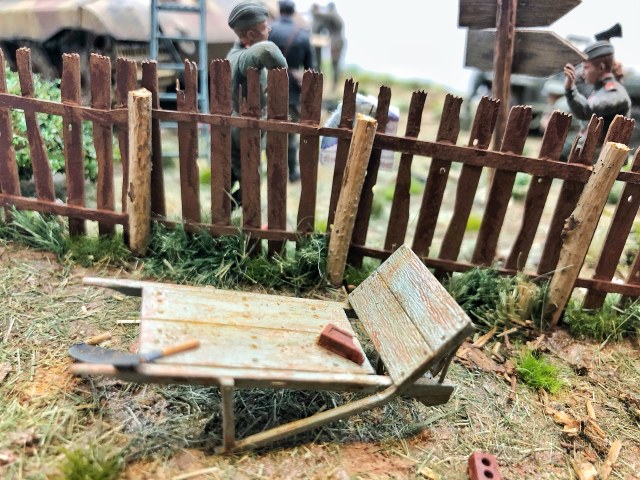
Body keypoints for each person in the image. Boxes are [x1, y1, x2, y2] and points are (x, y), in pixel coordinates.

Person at [226, 1, 288, 204]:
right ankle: (235, 213)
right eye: (264, 27)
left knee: (234, 177)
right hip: (243, 131)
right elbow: (267, 50)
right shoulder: (241, 57)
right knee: (250, 183)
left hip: (242, 127)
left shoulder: (239, 51)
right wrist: (281, 72)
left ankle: (227, 211)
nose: (269, 29)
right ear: (251, 34)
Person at [269, 0, 316, 182]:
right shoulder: (302, 34)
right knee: (290, 134)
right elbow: (312, 69)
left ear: (279, 10)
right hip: (293, 92)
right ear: (294, 11)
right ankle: (292, 172)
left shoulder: (269, 31)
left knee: (268, 130)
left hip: (270, 87)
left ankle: (273, 170)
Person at [564, 40, 631, 150]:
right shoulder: (600, 89)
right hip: (592, 154)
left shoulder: (614, 92)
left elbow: (586, 111)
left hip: (603, 158)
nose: (582, 72)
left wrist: (570, 90)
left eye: (586, 67)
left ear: (601, 68)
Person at [311, 2, 345, 90]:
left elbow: (324, 16)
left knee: (335, 64)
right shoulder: (334, 16)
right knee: (335, 64)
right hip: (336, 42)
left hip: (336, 43)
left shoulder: (333, 15)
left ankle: (334, 86)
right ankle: (334, 86)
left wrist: (315, 11)